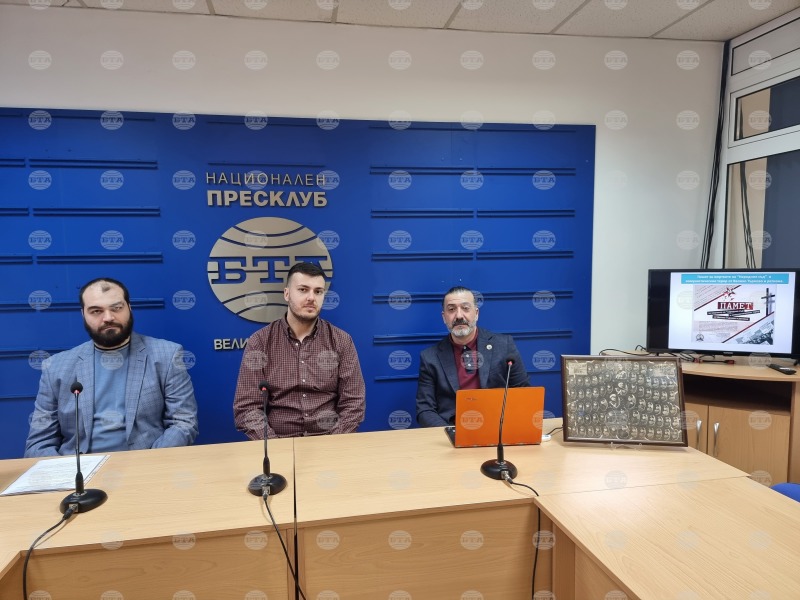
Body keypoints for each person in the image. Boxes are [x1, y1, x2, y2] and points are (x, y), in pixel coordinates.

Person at [24, 277, 199, 457]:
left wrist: (148, 462)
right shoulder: (55, 367)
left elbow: (183, 422)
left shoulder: (167, 355)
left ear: (129, 308)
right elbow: (39, 442)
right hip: (77, 467)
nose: (108, 318)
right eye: (96, 311)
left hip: (144, 463)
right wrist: (66, 471)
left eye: (116, 308)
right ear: (83, 314)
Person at [233, 262, 366, 438]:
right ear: (287, 294)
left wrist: (333, 445)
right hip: (278, 441)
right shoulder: (260, 342)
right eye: (303, 290)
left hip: (330, 439)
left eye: (318, 291)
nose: (311, 297)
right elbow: (247, 408)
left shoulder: (341, 341)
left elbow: (353, 403)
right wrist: (275, 446)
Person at [416, 286, 530, 427]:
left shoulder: (504, 345)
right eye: (451, 309)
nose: (459, 316)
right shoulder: (430, 357)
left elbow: (524, 393)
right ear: (444, 317)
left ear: (476, 313)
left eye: (465, 308)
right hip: (452, 429)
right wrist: (449, 432)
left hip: (497, 428)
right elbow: (425, 409)